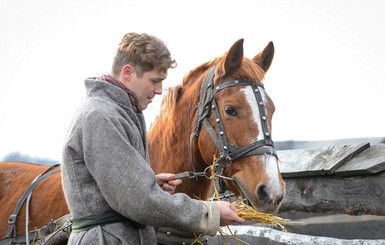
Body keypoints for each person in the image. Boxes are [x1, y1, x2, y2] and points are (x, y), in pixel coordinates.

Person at [61, 32, 244, 245]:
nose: (159, 91)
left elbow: (120, 188)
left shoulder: (120, 112)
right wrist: (208, 212)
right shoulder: (102, 116)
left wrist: (148, 182)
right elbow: (136, 201)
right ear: (128, 73)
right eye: (154, 81)